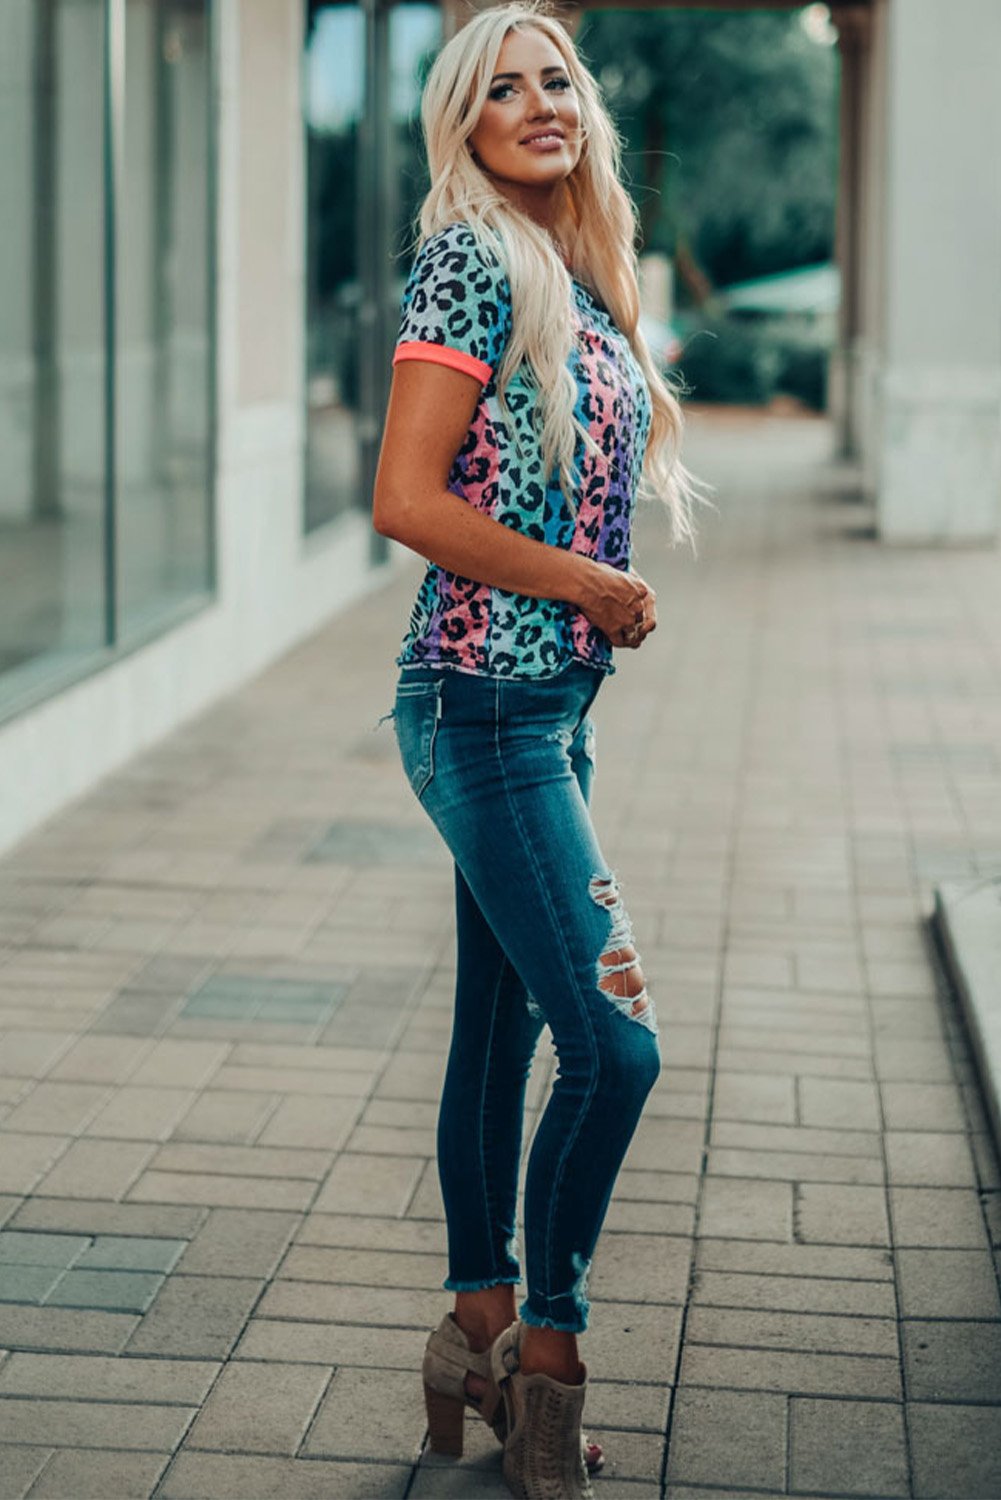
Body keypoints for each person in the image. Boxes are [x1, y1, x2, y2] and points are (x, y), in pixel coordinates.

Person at [373, 5, 700, 1496]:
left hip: (541, 714)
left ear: (585, 106)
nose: (534, 102)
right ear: (465, 126)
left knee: (500, 1036)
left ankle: (473, 1323)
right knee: (614, 1047)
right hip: (479, 710)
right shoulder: (469, 255)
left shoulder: (573, 263)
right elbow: (405, 496)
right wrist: (586, 586)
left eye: (552, 78)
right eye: (498, 88)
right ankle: (545, 1360)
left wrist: (586, 605)